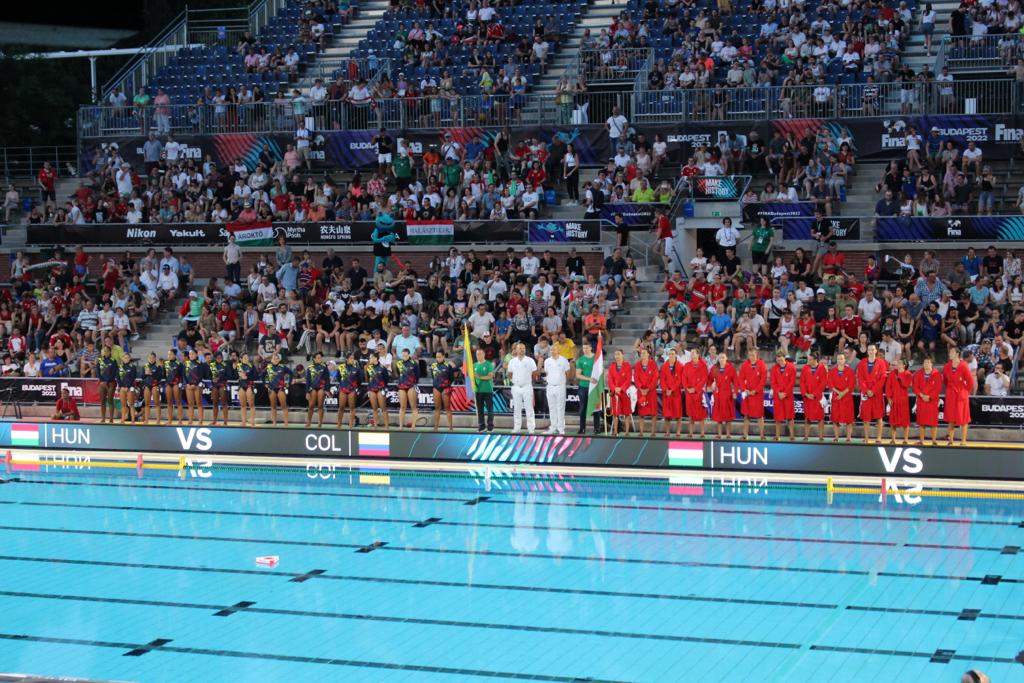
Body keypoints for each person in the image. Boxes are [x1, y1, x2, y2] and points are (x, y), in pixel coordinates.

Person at [857, 344, 889, 442]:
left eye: (873, 349)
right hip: (866, 393)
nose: (871, 351)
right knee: (866, 418)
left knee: (879, 417)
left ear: (876, 351)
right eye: (869, 349)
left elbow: (882, 378)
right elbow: (860, 378)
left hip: (877, 393)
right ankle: (866, 437)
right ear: (867, 351)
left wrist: (873, 390)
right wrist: (866, 390)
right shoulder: (862, 362)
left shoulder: (881, 363)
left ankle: (879, 437)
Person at [942, 347, 974, 445]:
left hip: (961, 394)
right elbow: (945, 381)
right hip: (951, 394)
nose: (949, 353)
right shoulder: (947, 366)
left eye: (951, 352)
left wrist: (964, 391)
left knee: (963, 418)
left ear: (957, 354)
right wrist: (950, 390)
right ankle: (950, 440)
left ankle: (963, 440)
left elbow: (970, 381)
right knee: (951, 418)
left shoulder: (964, 365)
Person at [507, 342, 538, 433]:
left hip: (527, 387)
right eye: (520, 348)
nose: (522, 350)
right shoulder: (512, 361)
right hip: (516, 387)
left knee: (529, 408)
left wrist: (527, 380)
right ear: (516, 350)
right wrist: (516, 380)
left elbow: (535, 373)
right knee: (517, 408)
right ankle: (517, 427)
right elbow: (509, 374)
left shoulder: (530, 360)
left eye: (523, 348)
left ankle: (531, 428)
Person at [738, 348, 767, 439]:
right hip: (747, 394)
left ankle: (762, 434)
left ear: (756, 354)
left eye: (753, 355)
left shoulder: (762, 365)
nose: (751, 357)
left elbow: (763, 380)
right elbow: (741, 379)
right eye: (750, 355)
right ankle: (745, 435)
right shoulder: (745, 365)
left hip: (757, 394)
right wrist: (745, 389)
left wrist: (756, 390)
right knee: (746, 415)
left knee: (759, 415)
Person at [708, 352, 737, 438]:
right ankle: (719, 434)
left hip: (727, 394)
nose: (721, 359)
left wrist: (735, 392)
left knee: (728, 416)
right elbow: (709, 379)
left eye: (723, 357)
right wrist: (711, 385)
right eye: (720, 358)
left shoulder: (731, 368)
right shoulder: (714, 368)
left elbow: (735, 381)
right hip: (718, 394)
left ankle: (728, 434)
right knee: (719, 416)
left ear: (726, 358)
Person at [828, 352, 856, 442]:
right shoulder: (832, 371)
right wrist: (838, 393)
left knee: (849, 419)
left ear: (845, 360)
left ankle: (848, 437)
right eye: (839, 359)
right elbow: (830, 384)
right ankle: (836, 437)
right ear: (837, 360)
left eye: (842, 359)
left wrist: (842, 393)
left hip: (847, 397)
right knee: (835, 418)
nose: (840, 360)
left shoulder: (850, 371)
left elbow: (851, 385)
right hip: (836, 397)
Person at [800, 353, 828, 440]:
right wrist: (806, 394)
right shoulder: (805, 368)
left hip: (817, 398)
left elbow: (823, 383)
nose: (808, 361)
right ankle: (806, 436)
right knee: (807, 417)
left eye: (810, 359)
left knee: (820, 418)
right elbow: (802, 382)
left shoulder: (822, 368)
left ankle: (821, 436)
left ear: (815, 360)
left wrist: (815, 394)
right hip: (807, 397)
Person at [543, 347, 571, 435]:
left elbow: (568, 373)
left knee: (560, 407)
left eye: (554, 350)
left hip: (560, 386)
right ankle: (553, 427)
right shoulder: (547, 361)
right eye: (551, 350)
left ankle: (561, 428)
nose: (552, 351)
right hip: (550, 386)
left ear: (558, 350)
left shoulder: (564, 360)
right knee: (552, 408)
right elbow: (547, 373)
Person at [682, 347, 708, 438]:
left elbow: (704, 379)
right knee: (690, 413)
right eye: (691, 353)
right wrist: (687, 388)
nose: (692, 354)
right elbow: (684, 378)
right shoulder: (687, 365)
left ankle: (702, 433)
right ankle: (691, 433)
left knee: (701, 414)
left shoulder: (703, 365)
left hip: (699, 393)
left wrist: (696, 389)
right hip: (689, 393)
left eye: (694, 353)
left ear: (698, 354)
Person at [770, 352, 796, 439]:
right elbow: (773, 382)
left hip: (787, 395)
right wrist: (778, 392)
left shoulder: (792, 367)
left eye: (781, 359)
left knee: (790, 416)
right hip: (778, 396)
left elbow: (792, 382)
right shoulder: (774, 369)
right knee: (778, 417)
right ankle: (777, 435)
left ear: (785, 358)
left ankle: (792, 435)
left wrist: (785, 393)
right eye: (778, 360)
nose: (780, 361)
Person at [886, 358, 913, 444]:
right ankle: (893, 439)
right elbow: (888, 387)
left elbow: (906, 385)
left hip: (903, 400)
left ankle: (905, 439)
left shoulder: (908, 374)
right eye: (897, 363)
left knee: (905, 420)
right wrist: (889, 398)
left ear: (904, 365)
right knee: (893, 420)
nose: (897, 365)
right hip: (894, 399)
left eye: (899, 363)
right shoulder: (892, 373)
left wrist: (900, 377)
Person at [633, 348, 659, 437]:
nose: (643, 354)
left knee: (653, 413)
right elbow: (636, 378)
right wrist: (640, 388)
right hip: (641, 392)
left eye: (644, 353)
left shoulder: (653, 364)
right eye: (641, 353)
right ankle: (641, 432)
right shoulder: (637, 365)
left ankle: (653, 432)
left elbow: (655, 378)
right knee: (641, 413)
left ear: (648, 354)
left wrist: (648, 389)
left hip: (651, 392)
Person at [607, 349, 633, 435]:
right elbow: (610, 380)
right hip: (615, 393)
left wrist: (621, 388)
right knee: (615, 413)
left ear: (622, 355)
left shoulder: (627, 366)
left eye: (618, 354)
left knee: (627, 412)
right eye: (615, 354)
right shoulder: (612, 366)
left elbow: (628, 380)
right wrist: (614, 388)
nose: (617, 356)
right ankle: (615, 431)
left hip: (625, 392)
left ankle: (626, 431)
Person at [660, 348, 684, 437]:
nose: (671, 355)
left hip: (676, 393)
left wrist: (672, 389)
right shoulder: (664, 366)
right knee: (667, 414)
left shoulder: (680, 366)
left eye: (673, 354)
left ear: (676, 355)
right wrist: (666, 389)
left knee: (678, 414)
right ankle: (667, 432)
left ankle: (678, 431)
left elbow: (679, 380)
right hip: (666, 393)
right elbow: (662, 379)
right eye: (669, 354)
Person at [430, 350, 456, 431]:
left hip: (445, 388)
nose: (438, 358)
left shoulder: (448, 365)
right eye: (437, 357)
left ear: (443, 356)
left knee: (447, 408)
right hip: (436, 388)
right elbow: (433, 376)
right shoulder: (433, 365)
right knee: (437, 408)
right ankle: (436, 427)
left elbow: (451, 378)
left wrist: (447, 386)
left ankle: (450, 427)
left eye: (440, 357)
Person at [394, 347, 420, 429]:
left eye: (406, 355)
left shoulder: (414, 363)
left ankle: (413, 425)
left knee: (413, 406)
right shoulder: (398, 363)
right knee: (402, 407)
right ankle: (401, 425)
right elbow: (399, 373)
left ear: (409, 354)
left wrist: (413, 383)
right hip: (402, 386)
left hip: (411, 386)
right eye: (403, 355)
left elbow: (417, 375)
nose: (404, 356)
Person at [575, 342, 597, 434]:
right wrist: (589, 379)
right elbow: (578, 375)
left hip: (595, 387)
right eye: (584, 348)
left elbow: (601, 371)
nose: (585, 350)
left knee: (596, 408)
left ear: (591, 348)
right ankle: (582, 428)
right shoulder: (580, 360)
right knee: (583, 408)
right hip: (583, 386)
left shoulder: (597, 358)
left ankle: (597, 428)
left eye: (587, 348)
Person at [265, 352, 291, 426]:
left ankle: (286, 423)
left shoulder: (283, 367)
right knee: (273, 406)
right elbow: (262, 375)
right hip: (272, 388)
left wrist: (289, 382)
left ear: (279, 360)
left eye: (277, 359)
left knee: (284, 406)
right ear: (271, 360)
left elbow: (291, 373)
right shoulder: (268, 367)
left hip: (280, 388)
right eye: (274, 359)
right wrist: (265, 383)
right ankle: (274, 423)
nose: (275, 360)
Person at [183, 349, 209, 426]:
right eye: (190, 354)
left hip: (197, 386)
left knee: (199, 403)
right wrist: (187, 384)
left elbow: (200, 375)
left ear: (196, 355)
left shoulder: (199, 364)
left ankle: (200, 420)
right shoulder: (186, 363)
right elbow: (184, 375)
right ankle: (190, 420)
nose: (191, 355)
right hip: (188, 386)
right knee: (190, 404)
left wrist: (195, 384)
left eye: (193, 354)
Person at [337, 352, 362, 429]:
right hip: (343, 388)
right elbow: (338, 378)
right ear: (347, 359)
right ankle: (339, 424)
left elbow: (360, 379)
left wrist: (355, 386)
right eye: (351, 358)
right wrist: (342, 384)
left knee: (352, 407)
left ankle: (351, 425)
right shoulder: (341, 367)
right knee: (341, 407)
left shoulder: (357, 368)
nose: (352, 360)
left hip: (352, 389)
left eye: (353, 358)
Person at [364, 352, 390, 429]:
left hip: (380, 389)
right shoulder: (368, 367)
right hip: (372, 388)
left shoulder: (382, 367)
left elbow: (386, 379)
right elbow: (368, 379)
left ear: (375, 358)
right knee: (374, 408)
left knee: (383, 408)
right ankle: (375, 425)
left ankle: (386, 425)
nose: (369, 359)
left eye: (371, 357)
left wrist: (383, 388)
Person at [305, 352, 329, 428]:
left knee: (320, 405)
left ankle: (320, 422)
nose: (319, 359)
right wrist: (307, 392)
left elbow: (327, 379)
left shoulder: (324, 367)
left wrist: (326, 389)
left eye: (320, 358)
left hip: (321, 387)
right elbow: (308, 380)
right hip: (312, 388)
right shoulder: (310, 367)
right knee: (311, 406)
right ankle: (309, 421)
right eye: (318, 358)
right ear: (314, 359)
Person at [209, 352, 233, 426]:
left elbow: (230, 375)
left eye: (221, 357)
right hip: (214, 385)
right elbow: (208, 375)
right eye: (218, 358)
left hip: (222, 384)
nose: (219, 359)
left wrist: (220, 377)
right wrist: (212, 379)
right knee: (215, 403)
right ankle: (214, 421)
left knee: (224, 403)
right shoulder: (212, 365)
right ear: (215, 358)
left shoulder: (226, 365)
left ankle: (225, 421)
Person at [140, 352, 163, 425]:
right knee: (146, 404)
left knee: (157, 403)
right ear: (147, 358)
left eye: (153, 358)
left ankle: (158, 420)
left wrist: (152, 373)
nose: (151, 359)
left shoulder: (158, 366)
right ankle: (146, 419)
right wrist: (145, 374)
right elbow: (142, 376)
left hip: (155, 385)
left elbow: (160, 377)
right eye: (150, 358)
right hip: (147, 385)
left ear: (155, 358)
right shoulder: (145, 366)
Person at [235, 353, 257, 427]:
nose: (246, 359)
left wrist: (246, 376)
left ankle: (252, 421)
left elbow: (255, 376)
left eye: (247, 358)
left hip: (249, 385)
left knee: (251, 404)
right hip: (241, 385)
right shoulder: (238, 366)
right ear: (241, 359)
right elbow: (234, 376)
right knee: (243, 405)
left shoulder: (251, 366)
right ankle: (243, 421)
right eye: (245, 358)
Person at [96, 345, 117, 424]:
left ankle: (111, 418)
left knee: (110, 400)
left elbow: (114, 372)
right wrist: (102, 380)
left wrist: (107, 381)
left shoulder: (113, 360)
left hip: (111, 383)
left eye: (107, 351)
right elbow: (98, 372)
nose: (106, 352)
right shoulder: (100, 360)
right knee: (102, 401)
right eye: (104, 351)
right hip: (102, 383)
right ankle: (103, 418)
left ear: (110, 352)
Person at [162, 349, 184, 425]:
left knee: (178, 402)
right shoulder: (165, 363)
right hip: (168, 384)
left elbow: (182, 375)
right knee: (169, 402)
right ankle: (169, 420)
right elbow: (164, 375)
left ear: (175, 355)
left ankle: (180, 420)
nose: (169, 356)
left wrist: (181, 383)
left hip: (176, 384)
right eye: (168, 354)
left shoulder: (179, 364)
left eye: (170, 354)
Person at [116, 353, 138, 424]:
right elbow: (118, 378)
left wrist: (128, 387)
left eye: (127, 357)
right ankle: (123, 419)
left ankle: (133, 419)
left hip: (130, 388)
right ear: (122, 358)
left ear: (130, 358)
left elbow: (133, 378)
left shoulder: (132, 367)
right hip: (122, 388)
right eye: (124, 357)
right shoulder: (119, 367)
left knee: (131, 404)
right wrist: (122, 386)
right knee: (123, 405)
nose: (126, 359)